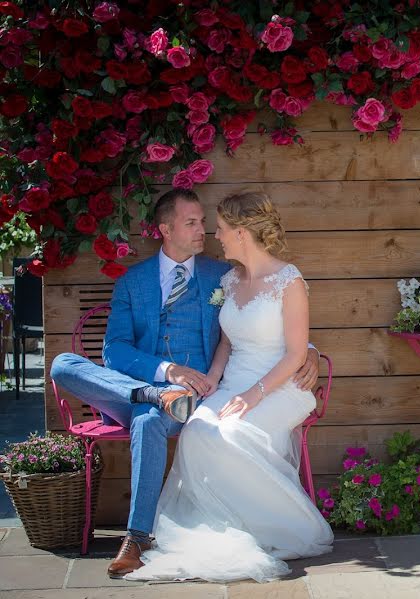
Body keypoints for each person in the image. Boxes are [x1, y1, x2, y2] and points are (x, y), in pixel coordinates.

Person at [49, 189, 322, 578]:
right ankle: (151, 394)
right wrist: (165, 373)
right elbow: (114, 353)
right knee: (62, 364)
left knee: (147, 421)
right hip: (148, 390)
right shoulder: (133, 283)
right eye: (192, 222)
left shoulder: (221, 274)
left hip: (194, 399)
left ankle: (137, 537)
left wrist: (308, 350)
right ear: (165, 228)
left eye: (207, 223)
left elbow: (263, 323)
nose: (206, 232)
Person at [124, 191, 333, 583]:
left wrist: (254, 393)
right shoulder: (228, 279)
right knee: (199, 430)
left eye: (220, 229)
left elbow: (293, 354)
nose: (215, 235)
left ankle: (270, 526)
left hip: (280, 387)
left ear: (241, 232)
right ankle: (222, 527)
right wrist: (214, 381)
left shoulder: (289, 281)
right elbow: (225, 342)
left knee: (233, 434)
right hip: (232, 381)